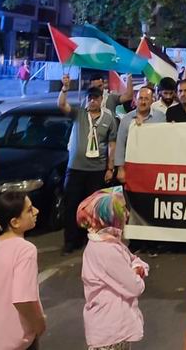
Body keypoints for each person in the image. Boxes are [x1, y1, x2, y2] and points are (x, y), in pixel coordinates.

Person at [77, 187, 149, 350]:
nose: (127, 214)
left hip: (109, 328)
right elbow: (134, 286)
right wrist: (137, 272)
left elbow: (135, 261)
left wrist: (136, 267)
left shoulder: (104, 244)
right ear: (111, 218)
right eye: (122, 210)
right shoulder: (107, 250)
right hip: (111, 330)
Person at [0, 193, 45, 350]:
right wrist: (39, 323)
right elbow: (23, 299)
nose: (36, 211)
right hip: (15, 343)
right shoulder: (25, 250)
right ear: (15, 222)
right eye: (29, 210)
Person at [59, 80, 119, 254]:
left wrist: (110, 167)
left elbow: (112, 144)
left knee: (93, 208)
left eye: (95, 98)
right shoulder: (78, 114)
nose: (92, 101)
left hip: (96, 169)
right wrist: (65, 88)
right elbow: (62, 105)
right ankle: (71, 241)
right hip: (76, 168)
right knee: (71, 206)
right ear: (86, 99)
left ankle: (91, 241)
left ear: (101, 99)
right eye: (90, 98)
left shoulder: (108, 119)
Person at [115, 86, 166, 183]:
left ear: (152, 101)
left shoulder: (161, 117)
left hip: (154, 166)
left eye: (146, 99)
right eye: (140, 98)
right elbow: (120, 144)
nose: (143, 102)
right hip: (132, 166)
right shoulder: (127, 119)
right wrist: (120, 169)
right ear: (135, 100)